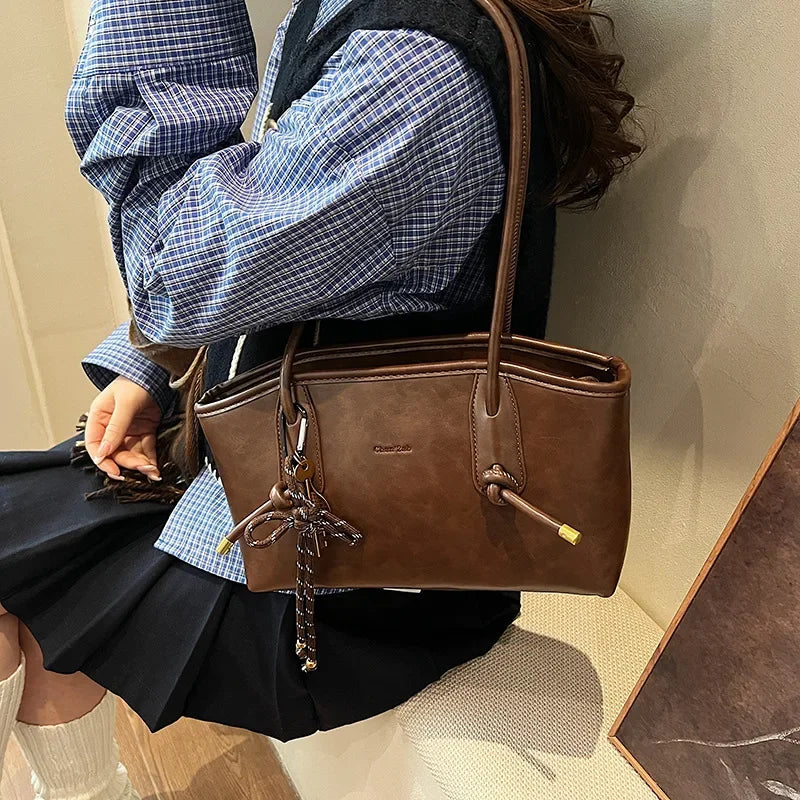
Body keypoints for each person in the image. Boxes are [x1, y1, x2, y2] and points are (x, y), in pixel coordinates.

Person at [0, 0, 639, 797]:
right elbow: (268, 243)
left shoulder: (410, 70)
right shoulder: (372, 22)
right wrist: (152, 363)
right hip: (275, 491)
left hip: (340, 583)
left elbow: (178, 273)